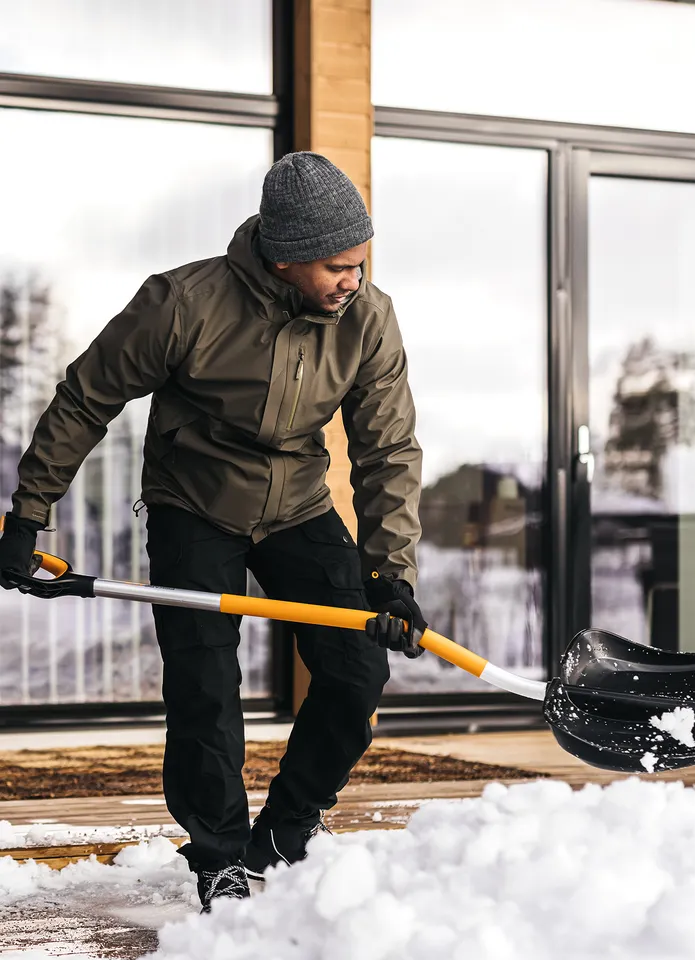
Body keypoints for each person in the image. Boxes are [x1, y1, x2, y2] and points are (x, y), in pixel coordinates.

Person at [0, 152, 426, 912]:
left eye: (360, 263)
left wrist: (390, 574)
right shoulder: (183, 303)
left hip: (298, 504)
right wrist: (28, 513)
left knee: (356, 671)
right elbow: (85, 398)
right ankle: (220, 855)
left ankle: (288, 830)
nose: (352, 281)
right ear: (286, 254)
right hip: (193, 503)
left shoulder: (367, 319)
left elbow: (387, 449)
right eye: (337, 266)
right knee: (205, 689)